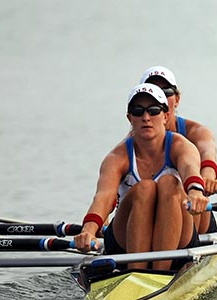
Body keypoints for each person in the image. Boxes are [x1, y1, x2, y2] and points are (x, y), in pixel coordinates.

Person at [74, 83, 209, 270]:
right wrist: (88, 231)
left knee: (169, 183)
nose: (146, 117)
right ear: (130, 118)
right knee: (145, 189)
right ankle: (137, 274)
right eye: (138, 111)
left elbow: (189, 169)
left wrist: (195, 191)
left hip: (178, 239)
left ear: (166, 116)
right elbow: (103, 197)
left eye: (153, 110)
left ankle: (156, 275)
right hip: (125, 243)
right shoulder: (116, 157)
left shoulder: (182, 146)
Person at [139, 66, 217, 234]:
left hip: (192, 213)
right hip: (149, 220)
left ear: (176, 99)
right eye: (153, 92)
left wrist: (208, 175)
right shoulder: (128, 145)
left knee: (173, 185)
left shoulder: (196, 132)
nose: (159, 97)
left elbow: (207, 151)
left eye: (165, 92)